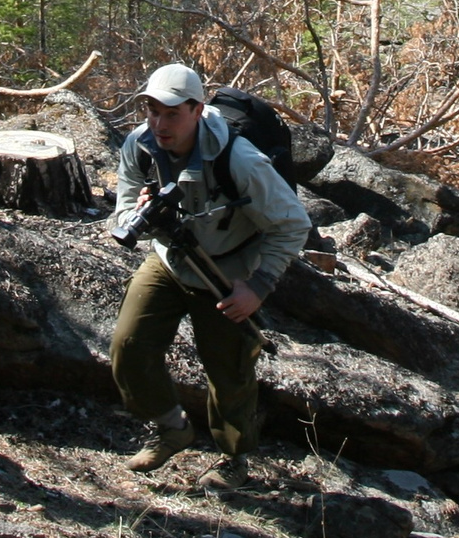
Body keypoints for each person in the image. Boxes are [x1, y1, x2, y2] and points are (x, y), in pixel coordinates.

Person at [106, 62, 308, 479]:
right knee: (129, 347)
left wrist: (258, 285)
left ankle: (236, 459)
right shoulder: (139, 146)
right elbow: (122, 213)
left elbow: (293, 224)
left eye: (172, 113)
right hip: (170, 257)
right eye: (152, 111)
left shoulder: (241, 159)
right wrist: (141, 215)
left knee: (229, 372)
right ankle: (170, 428)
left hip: (227, 270)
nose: (159, 123)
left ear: (198, 110)